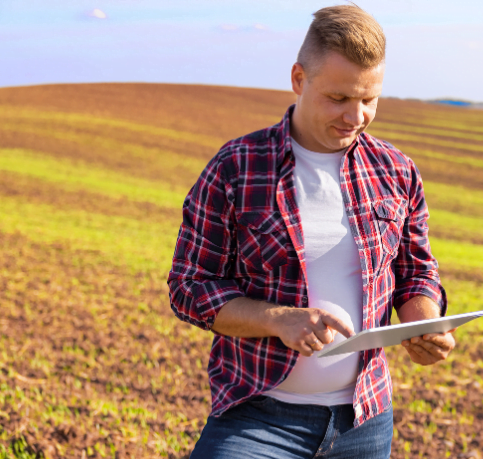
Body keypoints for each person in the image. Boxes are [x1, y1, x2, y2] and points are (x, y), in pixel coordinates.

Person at [167, 4, 453, 458]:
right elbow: (189, 287)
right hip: (257, 416)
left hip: (365, 419)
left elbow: (416, 271)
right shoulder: (237, 167)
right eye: (338, 98)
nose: (355, 116)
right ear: (299, 79)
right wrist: (279, 320)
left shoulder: (396, 170)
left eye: (369, 99)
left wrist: (423, 321)